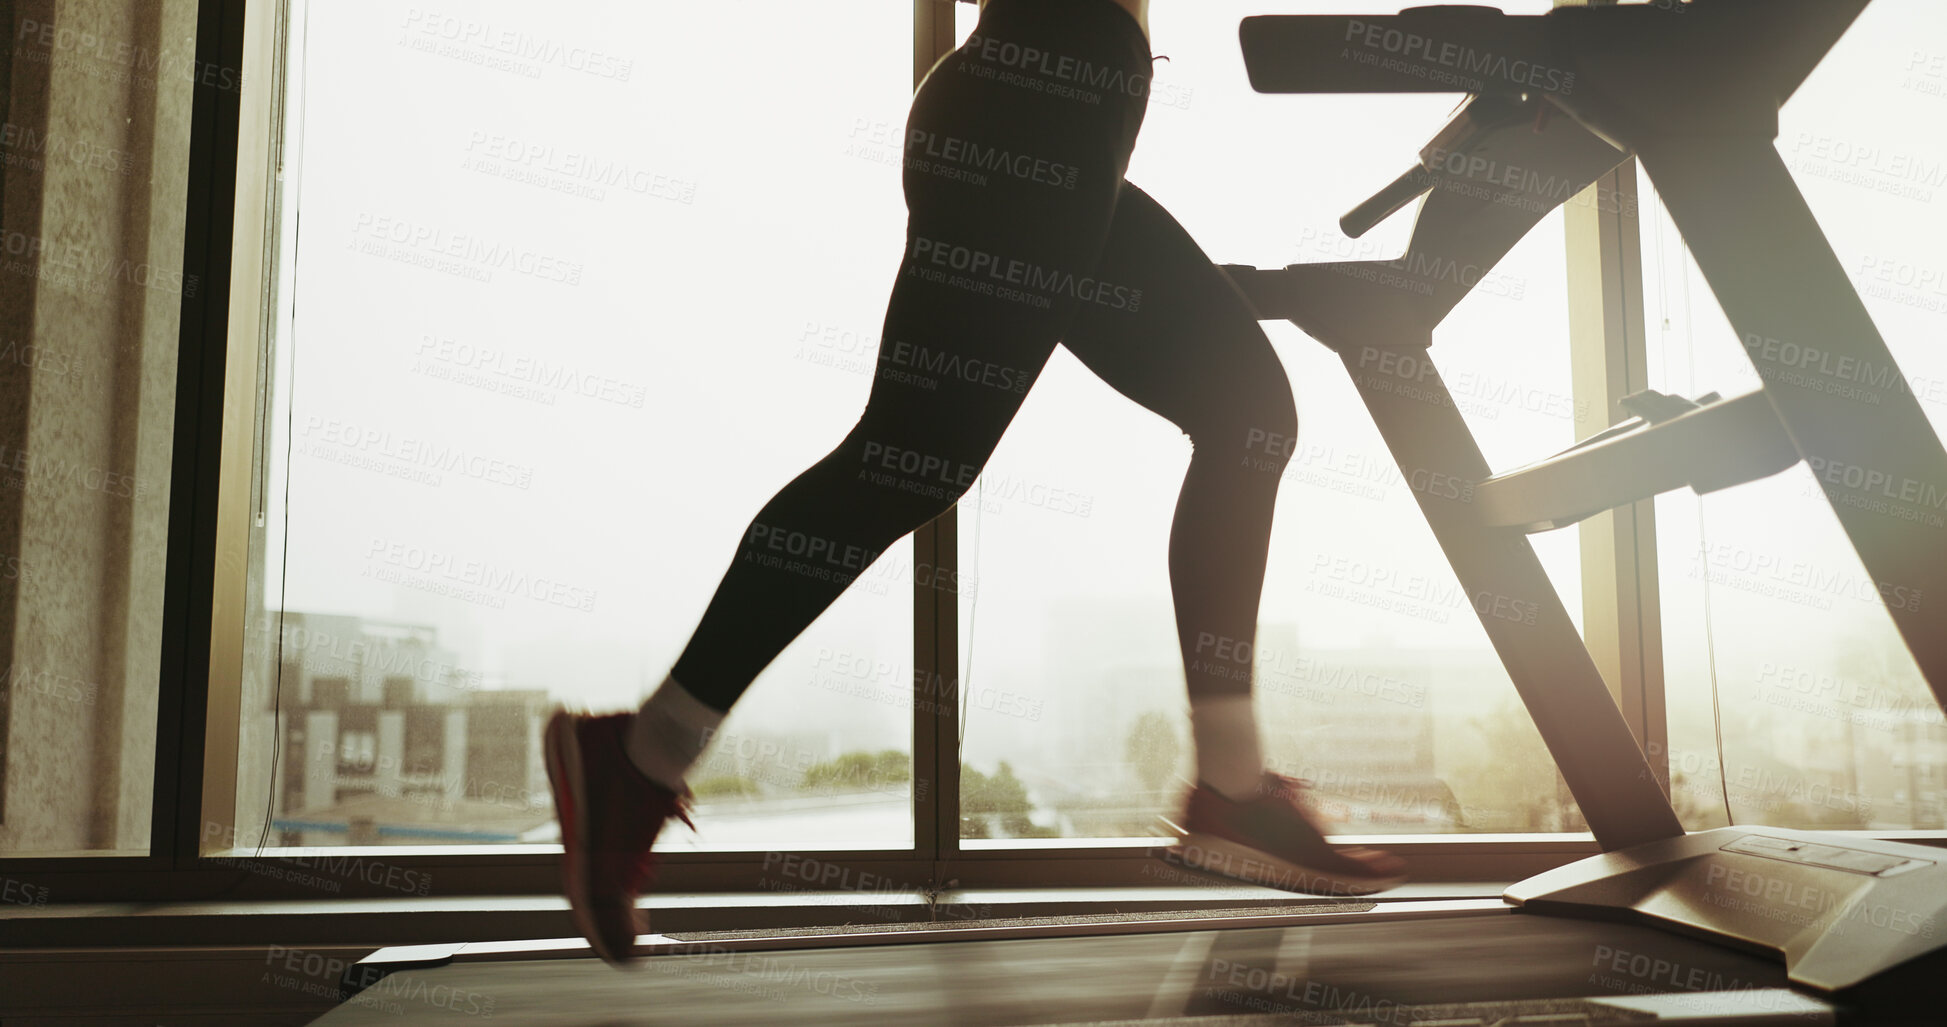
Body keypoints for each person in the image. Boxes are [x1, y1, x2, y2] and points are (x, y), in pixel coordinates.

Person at [545, 0, 1407, 967]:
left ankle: (1232, 789)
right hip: (1042, 93)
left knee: (1244, 417)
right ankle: (638, 757)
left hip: (1064, 108)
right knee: (907, 458)